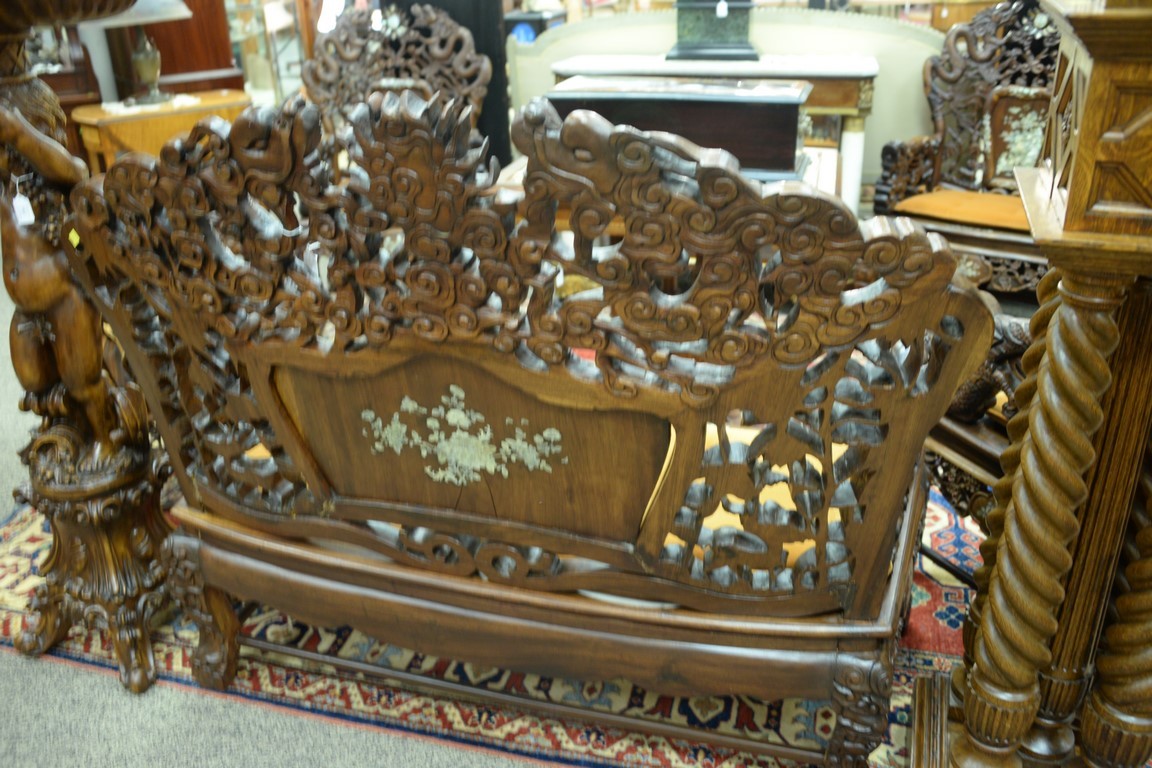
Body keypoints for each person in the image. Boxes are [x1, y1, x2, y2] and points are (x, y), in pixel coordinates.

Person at [0, 99, 119, 466]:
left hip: (66, 298)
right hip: (26, 308)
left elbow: (75, 170)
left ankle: (105, 440)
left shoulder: (53, 180)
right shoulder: (8, 188)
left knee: (82, 380)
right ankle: (66, 434)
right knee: (35, 380)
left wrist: (18, 132)